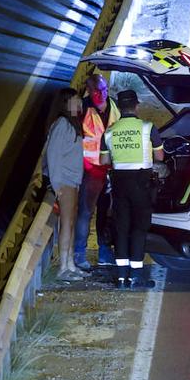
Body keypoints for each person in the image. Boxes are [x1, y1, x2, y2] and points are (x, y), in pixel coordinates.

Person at [100, 90, 163, 288]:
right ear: (137, 106)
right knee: (139, 228)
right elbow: (160, 157)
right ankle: (136, 276)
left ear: (119, 108)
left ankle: (121, 277)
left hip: (119, 183)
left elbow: (103, 160)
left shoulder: (109, 132)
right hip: (141, 183)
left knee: (121, 228)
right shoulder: (147, 128)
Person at [73, 74, 119, 270]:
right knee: (85, 212)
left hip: (112, 169)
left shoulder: (115, 106)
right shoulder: (83, 108)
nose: (100, 94)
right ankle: (79, 254)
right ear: (89, 91)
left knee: (105, 213)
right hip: (91, 170)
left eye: (103, 89)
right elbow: (75, 139)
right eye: (95, 91)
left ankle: (104, 253)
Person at [44, 87, 85, 281]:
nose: (80, 104)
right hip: (65, 182)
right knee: (66, 224)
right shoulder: (61, 124)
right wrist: (57, 183)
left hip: (73, 181)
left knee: (70, 223)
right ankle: (63, 268)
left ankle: (70, 264)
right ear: (66, 103)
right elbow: (53, 155)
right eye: (76, 101)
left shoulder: (72, 124)